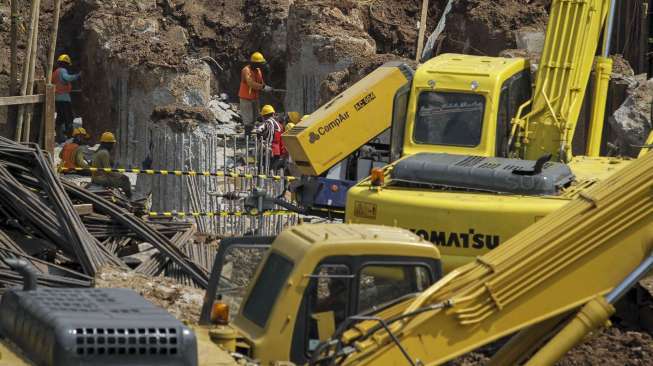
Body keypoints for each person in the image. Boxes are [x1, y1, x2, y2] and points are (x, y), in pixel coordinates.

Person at [239, 52, 272, 135]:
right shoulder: (246, 70)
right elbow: (251, 83)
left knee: (255, 117)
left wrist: (266, 87)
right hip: (245, 98)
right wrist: (263, 87)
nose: (261, 65)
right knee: (248, 119)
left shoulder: (258, 71)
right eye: (260, 63)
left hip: (255, 98)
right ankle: (247, 137)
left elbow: (260, 82)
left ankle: (250, 134)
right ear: (255, 63)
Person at [91, 132, 132, 198]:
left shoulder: (99, 151)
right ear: (107, 144)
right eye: (112, 144)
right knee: (125, 181)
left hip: (96, 177)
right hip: (100, 179)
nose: (113, 146)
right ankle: (130, 199)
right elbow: (108, 171)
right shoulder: (104, 153)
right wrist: (120, 175)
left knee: (122, 178)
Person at [51, 54, 81, 143]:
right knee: (69, 117)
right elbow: (67, 78)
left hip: (57, 98)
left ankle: (59, 135)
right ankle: (69, 135)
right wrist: (78, 75)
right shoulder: (62, 71)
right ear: (65, 63)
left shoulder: (55, 72)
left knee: (61, 117)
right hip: (64, 98)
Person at [255, 104, 287, 172]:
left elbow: (258, 130)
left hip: (267, 151)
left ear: (263, 116)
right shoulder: (280, 126)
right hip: (277, 152)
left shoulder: (266, 123)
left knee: (262, 172)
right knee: (272, 171)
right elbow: (282, 141)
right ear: (273, 114)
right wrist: (282, 154)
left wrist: (260, 140)